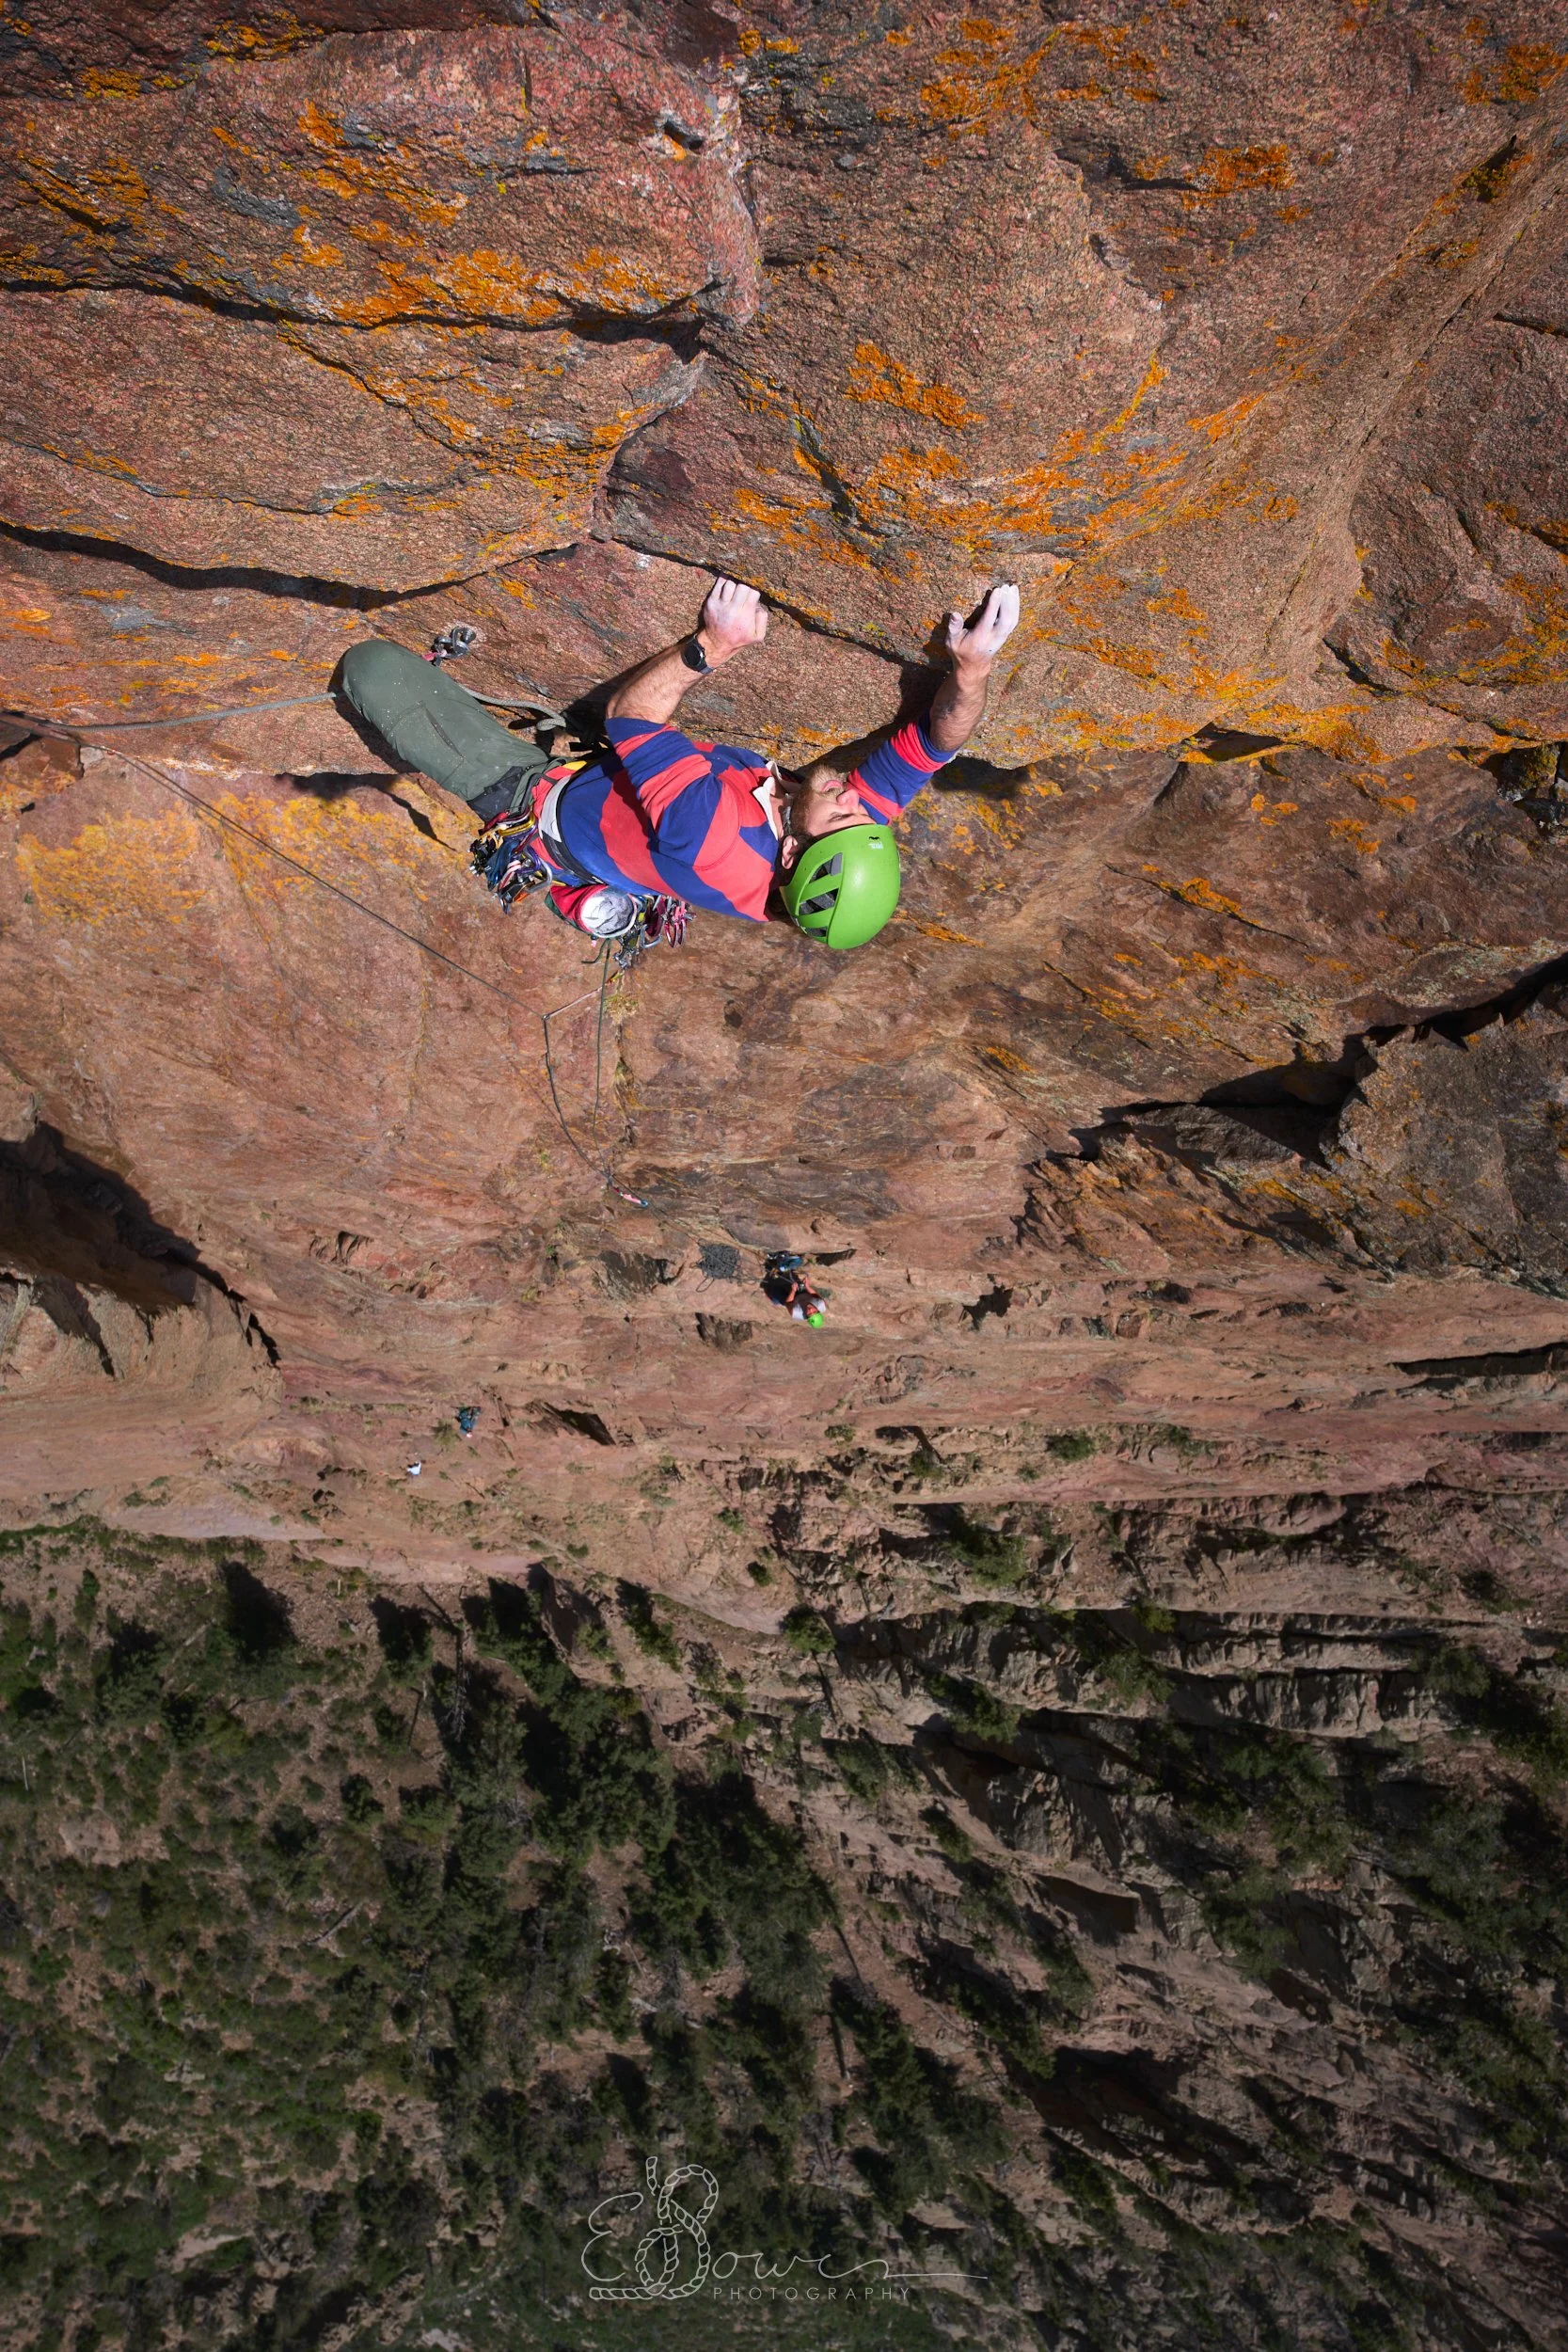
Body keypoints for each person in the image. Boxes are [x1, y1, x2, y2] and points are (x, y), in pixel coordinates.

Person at [339, 577, 1020, 951]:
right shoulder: (843, 827)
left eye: (843, 815)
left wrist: (712, 645)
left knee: (369, 668)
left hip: (536, 800)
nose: (854, 800)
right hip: (631, 812)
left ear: (789, 857)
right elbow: (939, 738)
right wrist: (973, 665)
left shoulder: (713, 836)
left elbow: (630, 719)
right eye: (862, 814)